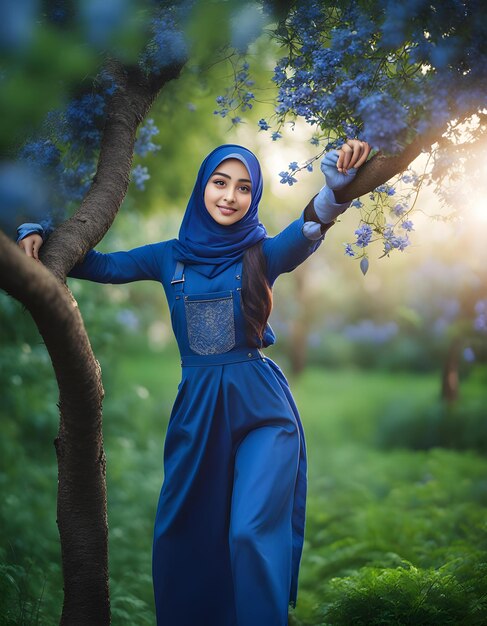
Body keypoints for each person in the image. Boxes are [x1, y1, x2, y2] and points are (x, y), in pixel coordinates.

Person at [17, 139, 370, 626]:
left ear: (255, 197)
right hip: (198, 415)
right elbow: (97, 264)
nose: (230, 196)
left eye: (244, 188)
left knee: (250, 532)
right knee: (185, 533)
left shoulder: (261, 255)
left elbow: (308, 229)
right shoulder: (168, 258)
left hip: (263, 413)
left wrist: (336, 190)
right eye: (219, 183)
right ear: (202, 187)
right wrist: (35, 230)